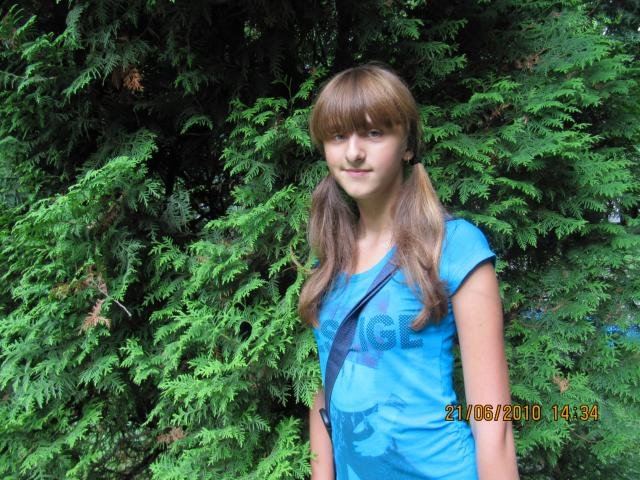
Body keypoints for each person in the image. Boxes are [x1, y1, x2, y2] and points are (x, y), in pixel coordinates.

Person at [297, 63, 520, 480]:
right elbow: (327, 391)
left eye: (373, 133)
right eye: (338, 136)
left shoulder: (454, 248)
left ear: (406, 145)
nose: (353, 152)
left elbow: (494, 424)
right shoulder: (328, 263)